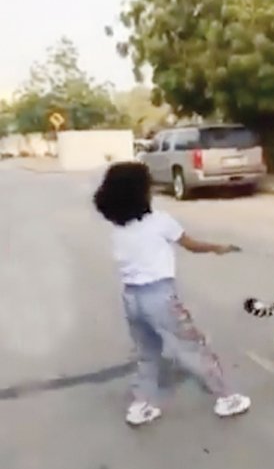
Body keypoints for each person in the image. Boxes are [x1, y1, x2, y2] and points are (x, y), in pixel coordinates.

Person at [93, 161, 250, 426]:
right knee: (192, 347)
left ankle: (141, 405)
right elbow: (191, 245)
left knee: (147, 353)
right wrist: (217, 247)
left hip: (131, 298)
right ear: (140, 192)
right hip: (160, 297)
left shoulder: (118, 229)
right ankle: (227, 397)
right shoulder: (160, 221)